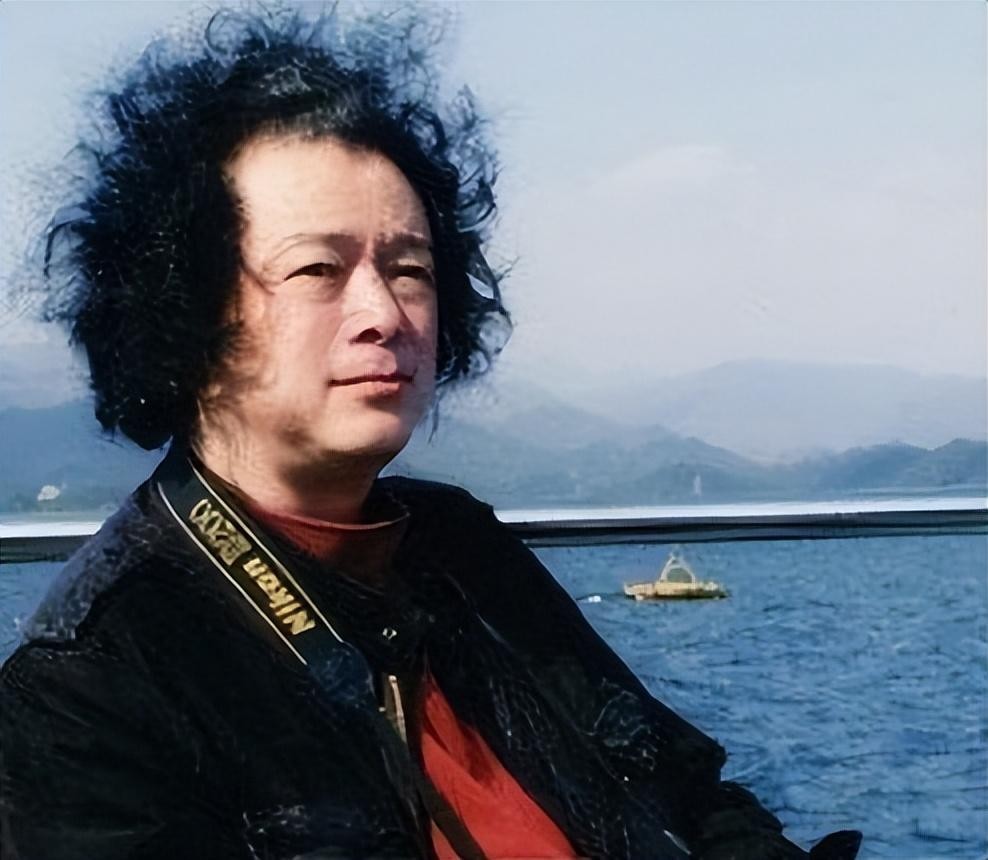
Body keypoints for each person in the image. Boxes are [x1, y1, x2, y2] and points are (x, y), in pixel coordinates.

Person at [0, 8, 861, 860]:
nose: (383, 312)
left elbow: (691, 801)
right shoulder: (89, 691)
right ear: (183, 311)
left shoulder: (459, 550)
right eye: (318, 269)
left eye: (409, 268)